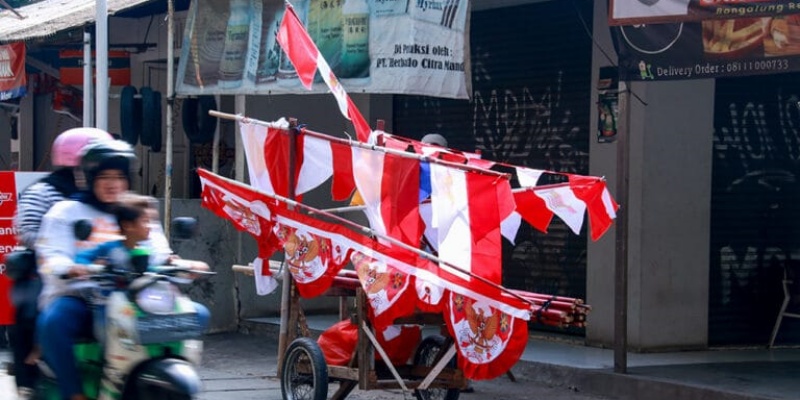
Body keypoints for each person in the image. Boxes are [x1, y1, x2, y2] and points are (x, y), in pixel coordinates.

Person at [34, 140, 156, 400]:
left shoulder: (137, 208)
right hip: (81, 296)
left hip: (135, 295)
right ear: (89, 178)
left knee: (197, 314)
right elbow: (50, 255)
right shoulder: (66, 211)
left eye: (119, 177)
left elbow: (157, 249)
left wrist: (182, 263)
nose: (113, 184)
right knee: (54, 322)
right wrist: (71, 267)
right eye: (104, 177)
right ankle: (74, 391)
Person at [9, 127, 112, 399]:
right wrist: (59, 245)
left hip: (104, 271)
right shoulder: (43, 191)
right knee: (31, 312)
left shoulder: (107, 194)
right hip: (49, 267)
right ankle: (30, 377)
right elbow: (27, 229)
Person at [74, 193, 210, 344]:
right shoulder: (111, 248)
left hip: (143, 302)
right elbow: (83, 257)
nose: (150, 227)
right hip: (112, 304)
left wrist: (184, 267)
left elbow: (154, 268)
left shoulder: (148, 251)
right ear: (128, 225)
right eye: (145, 222)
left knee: (196, 314)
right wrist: (85, 267)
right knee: (111, 339)